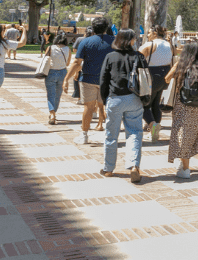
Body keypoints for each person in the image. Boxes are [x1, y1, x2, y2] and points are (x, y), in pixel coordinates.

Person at [98, 29, 144, 183]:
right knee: (134, 133)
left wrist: (105, 100)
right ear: (130, 40)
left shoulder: (110, 57)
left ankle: (108, 168)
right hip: (134, 99)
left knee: (111, 135)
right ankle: (133, 165)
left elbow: (103, 80)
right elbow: (145, 79)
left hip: (115, 98)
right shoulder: (139, 56)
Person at [165, 41, 198, 179]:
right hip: (197, 106)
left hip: (182, 105)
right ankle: (184, 164)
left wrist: (175, 69)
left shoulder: (181, 66)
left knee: (182, 135)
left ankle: (185, 168)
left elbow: (167, 79)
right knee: (190, 133)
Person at [63, 16, 113, 144]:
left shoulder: (86, 42)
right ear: (106, 27)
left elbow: (76, 62)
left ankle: (84, 135)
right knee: (107, 107)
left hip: (88, 79)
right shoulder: (114, 41)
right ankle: (111, 135)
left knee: (88, 108)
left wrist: (66, 79)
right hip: (108, 80)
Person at [139, 25, 175, 141]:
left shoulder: (150, 45)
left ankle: (152, 124)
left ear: (155, 33)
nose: (148, 35)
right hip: (164, 76)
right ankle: (155, 130)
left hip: (151, 76)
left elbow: (137, 59)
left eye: (149, 33)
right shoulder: (168, 45)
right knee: (156, 104)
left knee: (143, 104)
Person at [44, 31, 72, 125]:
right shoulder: (68, 49)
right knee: (58, 95)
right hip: (63, 72)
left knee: (50, 94)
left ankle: (52, 114)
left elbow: (45, 59)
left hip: (51, 72)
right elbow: (67, 64)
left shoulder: (50, 48)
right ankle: (54, 112)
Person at [69, 26, 93, 104]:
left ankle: (79, 97)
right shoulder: (94, 40)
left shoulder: (80, 39)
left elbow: (74, 49)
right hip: (90, 62)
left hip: (80, 61)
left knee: (77, 78)